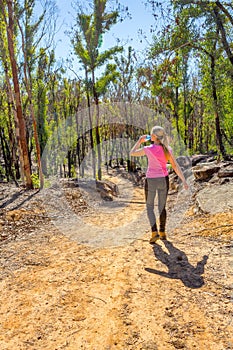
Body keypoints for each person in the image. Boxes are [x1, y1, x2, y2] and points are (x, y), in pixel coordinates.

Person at [130, 126, 189, 244]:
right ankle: (162, 232)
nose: (150, 136)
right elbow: (175, 166)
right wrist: (184, 180)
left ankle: (154, 233)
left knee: (150, 207)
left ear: (154, 137)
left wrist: (139, 141)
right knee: (162, 207)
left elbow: (132, 153)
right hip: (163, 180)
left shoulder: (148, 149)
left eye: (151, 135)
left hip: (151, 180)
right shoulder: (168, 149)